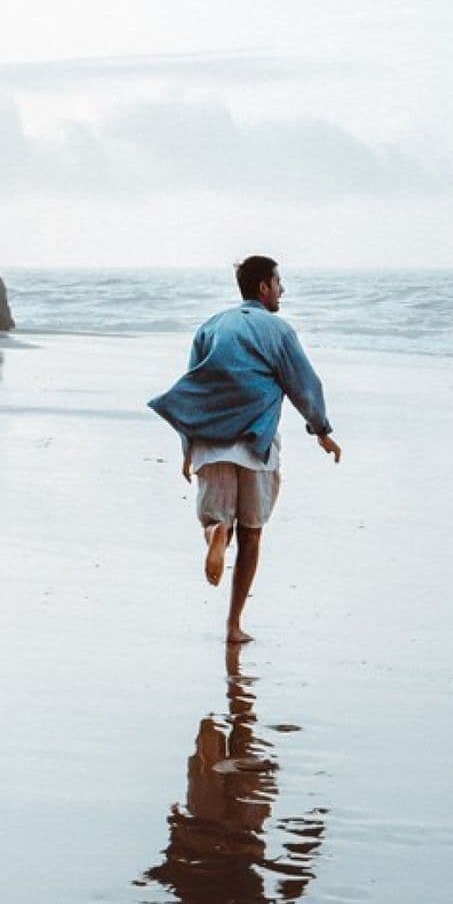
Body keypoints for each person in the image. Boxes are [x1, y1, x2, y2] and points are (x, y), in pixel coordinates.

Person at [148, 256, 341, 642]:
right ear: (263, 288)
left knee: (215, 520)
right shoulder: (278, 330)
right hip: (255, 443)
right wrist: (321, 430)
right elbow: (303, 383)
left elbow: (194, 387)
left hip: (211, 443)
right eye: (278, 282)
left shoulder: (211, 326)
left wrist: (187, 448)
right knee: (251, 534)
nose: (282, 289)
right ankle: (234, 625)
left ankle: (217, 534)